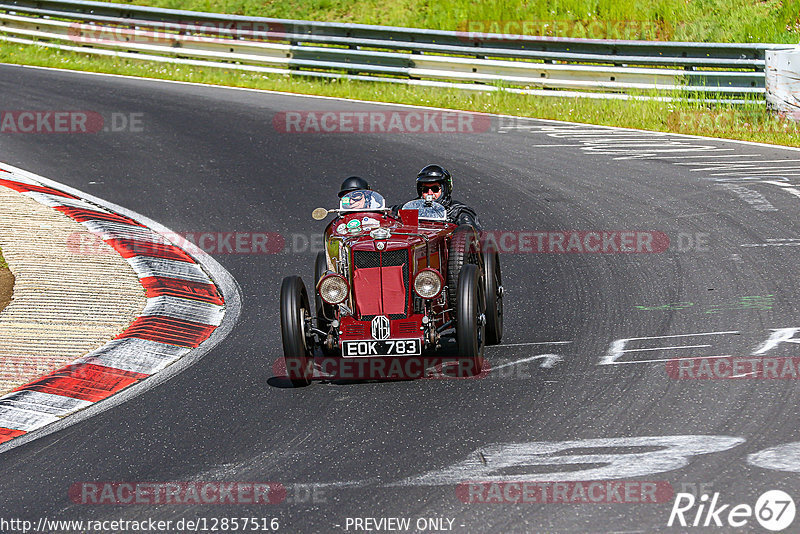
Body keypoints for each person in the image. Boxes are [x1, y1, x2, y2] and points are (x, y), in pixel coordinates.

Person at [412, 164, 481, 229]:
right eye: (425, 189)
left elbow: (471, 235)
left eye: (435, 189)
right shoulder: (411, 208)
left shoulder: (458, 212)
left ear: (445, 190)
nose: (430, 193)